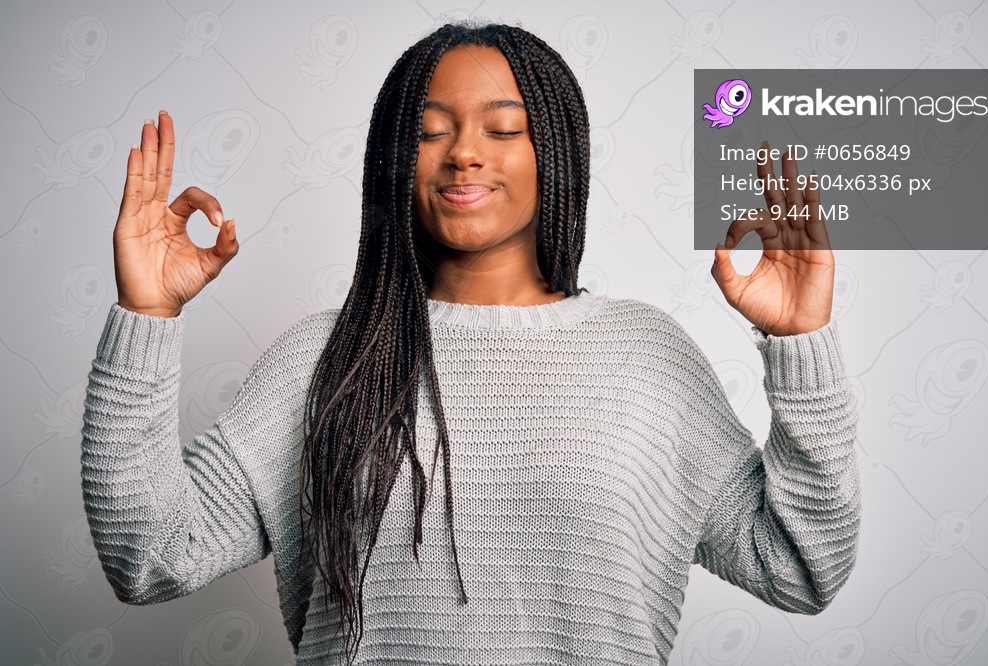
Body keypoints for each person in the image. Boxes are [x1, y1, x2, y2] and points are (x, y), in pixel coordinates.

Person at [81, 23, 860, 665]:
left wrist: (801, 346)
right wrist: (145, 314)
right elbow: (149, 555)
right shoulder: (324, 360)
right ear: (395, 159)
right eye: (429, 131)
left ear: (555, 152)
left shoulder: (647, 358)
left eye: (503, 127)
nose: (463, 153)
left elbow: (800, 567)